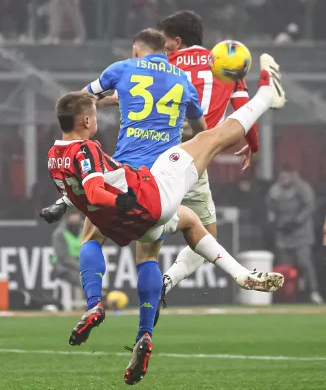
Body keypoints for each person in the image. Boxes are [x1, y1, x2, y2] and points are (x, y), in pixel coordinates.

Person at [47, 53, 286, 384]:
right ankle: (267, 94)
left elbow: (84, 190)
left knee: (184, 221)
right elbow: (96, 188)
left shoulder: (55, 157)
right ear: (86, 121)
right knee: (211, 139)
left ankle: (99, 306)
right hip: (149, 193)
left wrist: (64, 205)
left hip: (121, 221)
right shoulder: (88, 149)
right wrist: (126, 199)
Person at [154, 10, 259, 319]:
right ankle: (164, 282)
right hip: (195, 156)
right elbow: (245, 110)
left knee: (148, 226)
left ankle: (157, 285)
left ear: (177, 40)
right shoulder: (226, 63)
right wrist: (252, 145)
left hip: (159, 150)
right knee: (206, 239)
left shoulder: (166, 64)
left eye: (165, 41)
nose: (164, 48)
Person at [266, 165, 323, 304]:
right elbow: (270, 206)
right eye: (281, 175)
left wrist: (297, 220)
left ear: (293, 175)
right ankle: (286, 294)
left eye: (286, 175)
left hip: (300, 233)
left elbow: (310, 206)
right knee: (285, 266)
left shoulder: (302, 187)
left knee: (304, 262)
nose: (283, 178)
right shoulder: (275, 189)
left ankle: (313, 292)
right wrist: (273, 219)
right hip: (283, 233)